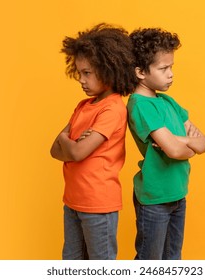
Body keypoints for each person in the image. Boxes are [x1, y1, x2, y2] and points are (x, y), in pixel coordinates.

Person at [50, 23, 137, 260]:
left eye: (87, 73)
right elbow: (54, 149)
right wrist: (71, 142)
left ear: (109, 70)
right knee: (72, 261)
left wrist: (68, 140)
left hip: (98, 205)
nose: (81, 79)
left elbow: (76, 152)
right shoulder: (83, 106)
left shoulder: (113, 110)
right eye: (79, 72)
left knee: (101, 264)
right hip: (72, 201)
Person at [127, 27, 205, 260]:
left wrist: (180, 142)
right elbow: (174, 151)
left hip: (177, 193)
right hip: (154, 198)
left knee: (172, 260)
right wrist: (186, 144)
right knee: (150, 262)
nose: (171, 74)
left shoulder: (168, 101)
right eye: (163, 68)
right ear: (140, 72)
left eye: (171, 67)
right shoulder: (140, 105)